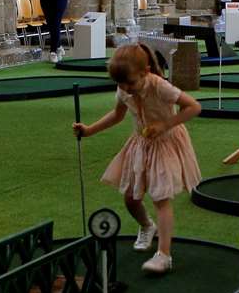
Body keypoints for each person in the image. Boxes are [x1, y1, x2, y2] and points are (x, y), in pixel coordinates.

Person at [73, 42, 202, 276]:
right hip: (141, 144)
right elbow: (117, 115)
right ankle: (146, 226)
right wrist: (89, 130)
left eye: (130, 82)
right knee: (131, 198)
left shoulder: (161, 87)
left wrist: (165, 124)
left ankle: (164, 255)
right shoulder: (124, 89)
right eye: (120, 83)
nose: (124, 88)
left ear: (145, 72)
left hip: (166, 143)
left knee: (160, 197)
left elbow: (193, 107)